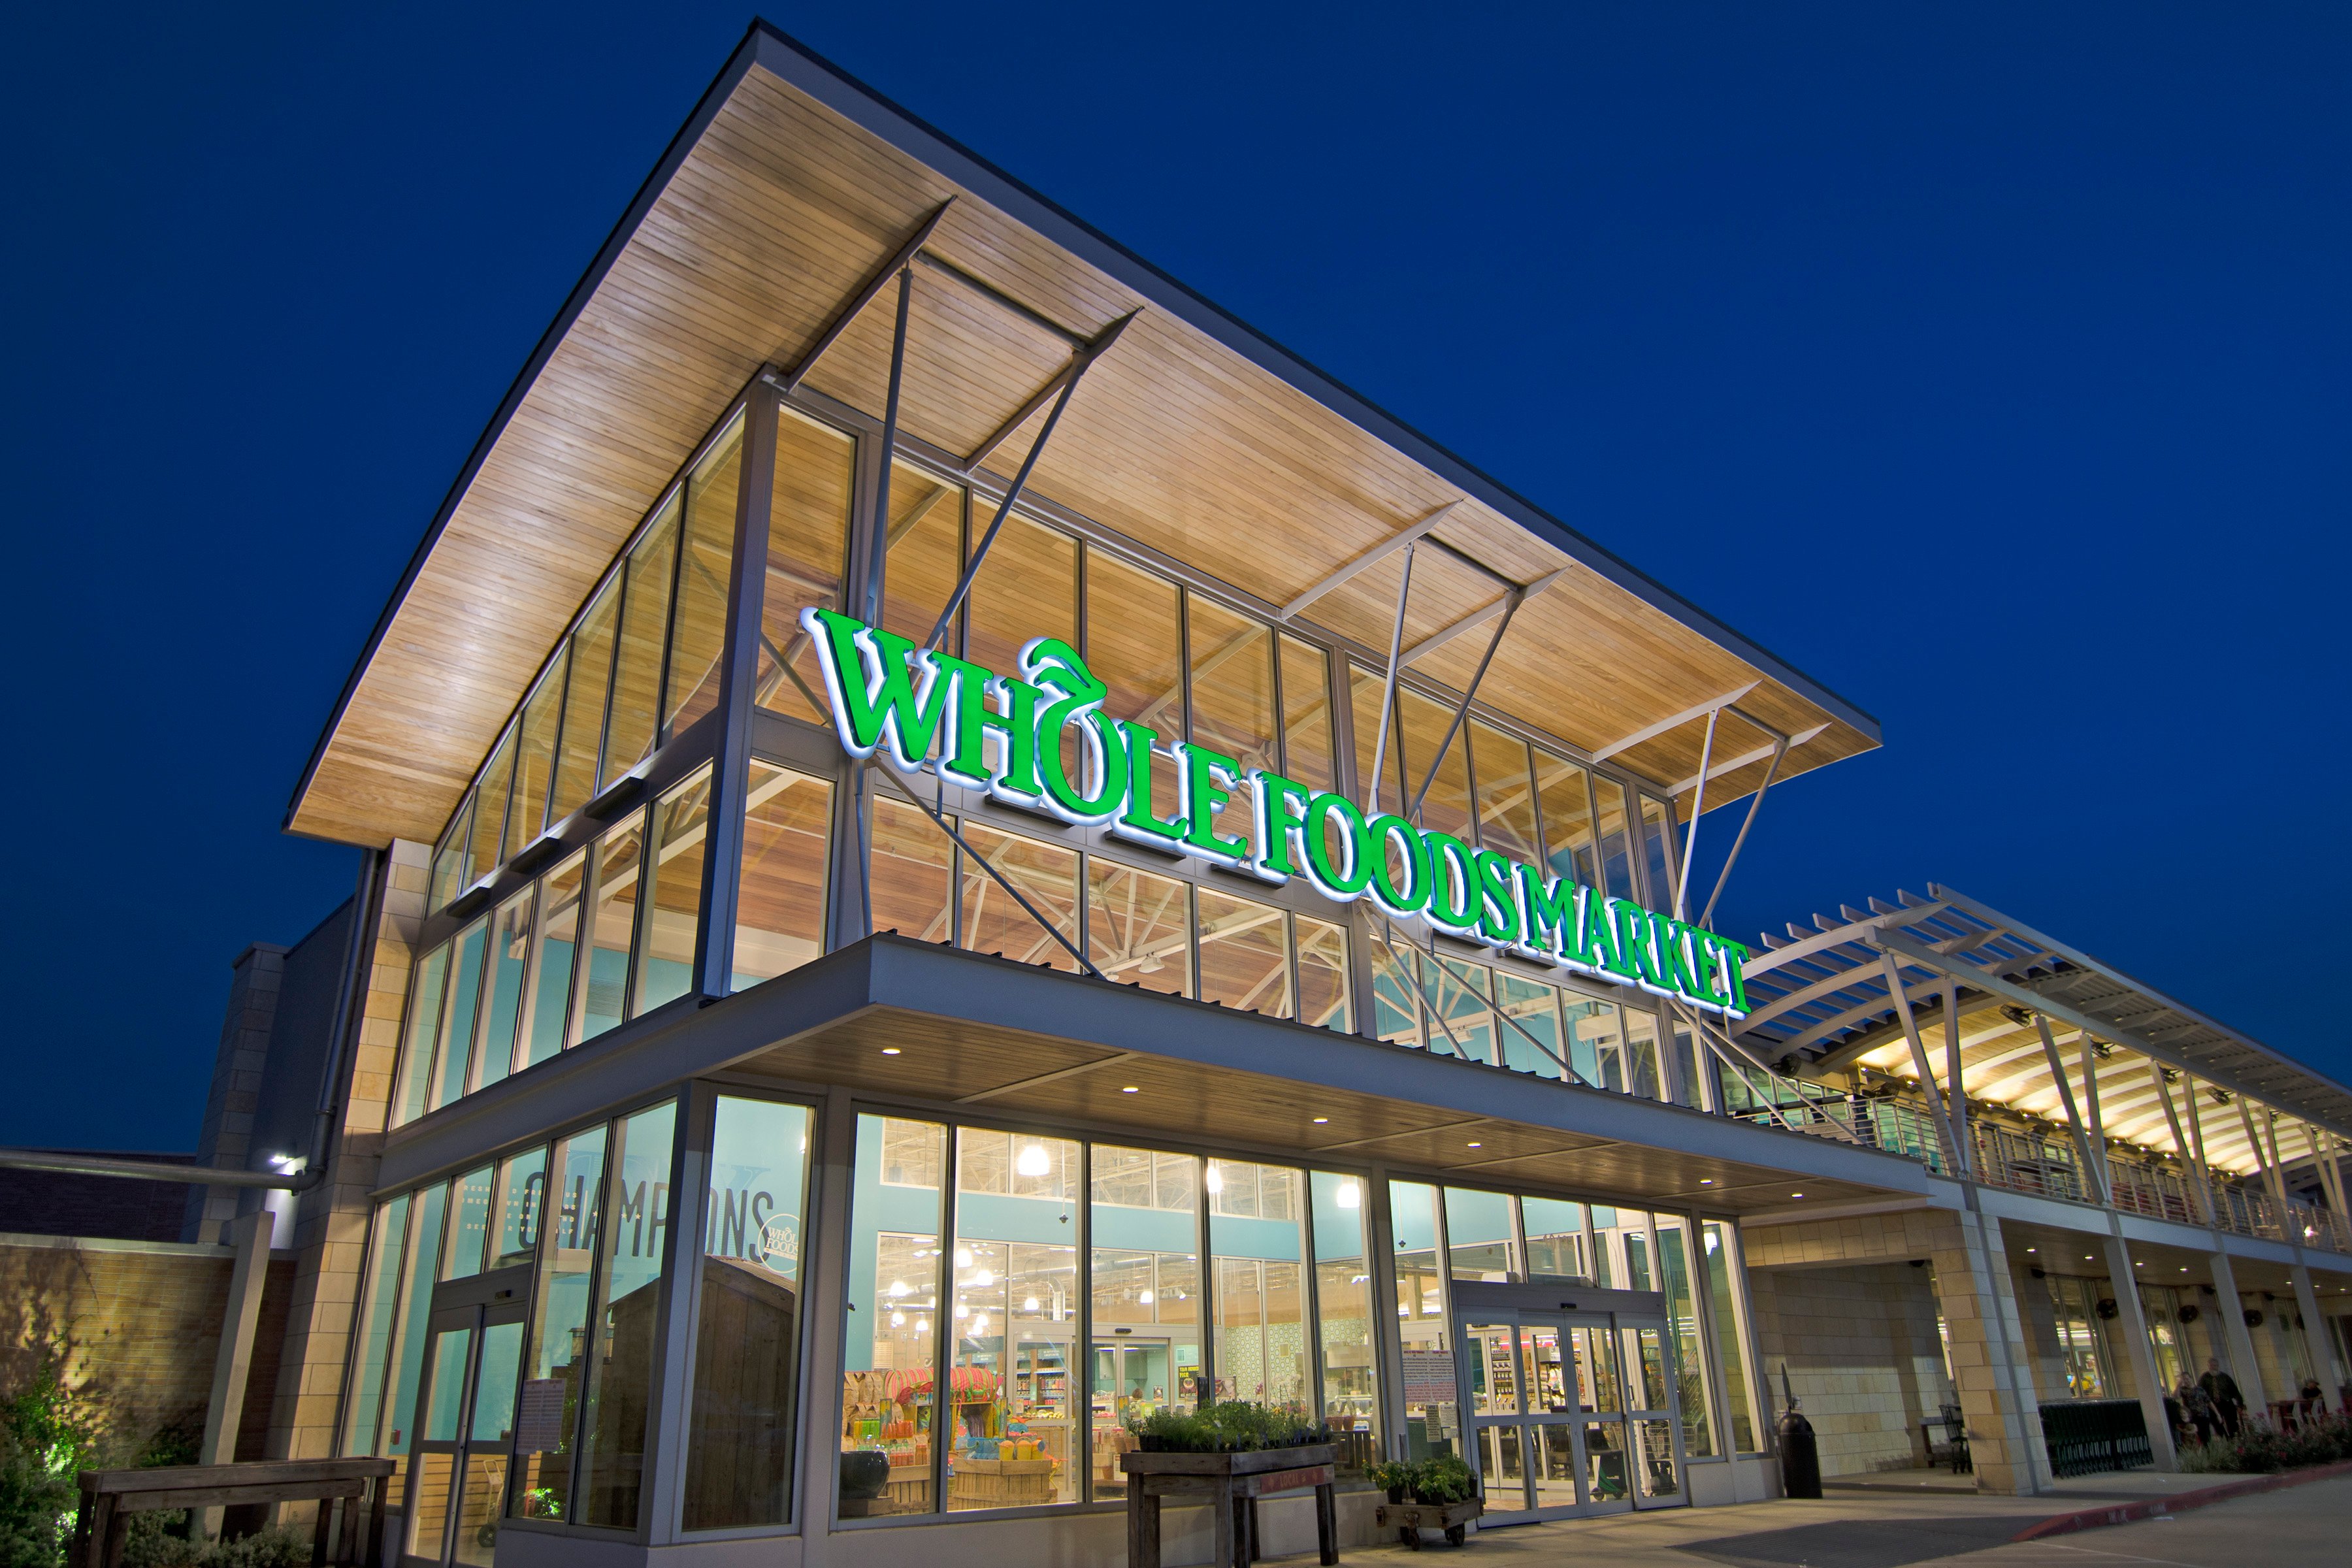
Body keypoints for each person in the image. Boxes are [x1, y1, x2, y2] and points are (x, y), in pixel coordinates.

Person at [2200, 1357, 2246, 1437]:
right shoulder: (2205, 1378)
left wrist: (2240, 1404)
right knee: (2217, 1424)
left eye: (2216, 1366)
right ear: (2209, 1366)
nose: (2214, 1367)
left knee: (2232, 1423)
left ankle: (2234, 1438)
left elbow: (2235, 1391)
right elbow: (2200, 1391)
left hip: (2226, 1402)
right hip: (2213, 1404)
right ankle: (2224, 1438)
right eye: (2212, 1366)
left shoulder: (2225, 1377)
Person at [2176, 1374, 2217, 1446]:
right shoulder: (2183, 1390)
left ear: (2191, 1378)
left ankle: (2209, 1450)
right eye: (2184, 1380)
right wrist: (2178, 1385)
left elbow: (2209, 1401)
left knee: (2206, 1436)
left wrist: (2217, 1413)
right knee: (2197, 1436)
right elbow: (2176, 1396)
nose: (2186, 1381)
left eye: (2187, 1379)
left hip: (2204, 1415)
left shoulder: (2200, 1390)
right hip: (2192, 1417)